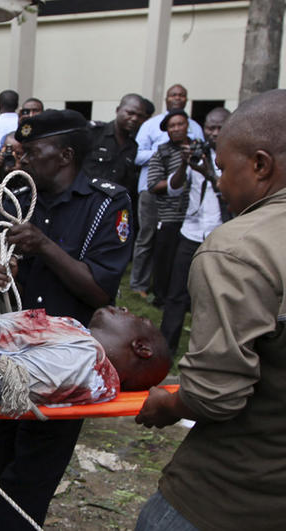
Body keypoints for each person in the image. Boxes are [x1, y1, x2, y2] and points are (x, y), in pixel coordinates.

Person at [135, 88, 286, 531]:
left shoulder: (239, 248)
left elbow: (215, 395)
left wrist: (171, 403)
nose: (219, 182)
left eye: (223, 168)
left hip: (236, 494)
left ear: (260, 165)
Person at [0, 109, 134, 530]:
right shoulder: (17, 201)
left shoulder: (107, 204)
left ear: (65, 155)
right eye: (18, 153)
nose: (21, 163)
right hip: (12, 355)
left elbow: (100, 290)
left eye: (31, 153)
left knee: (29, 479)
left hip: (65, 367)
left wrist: (44, 245)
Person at [0, 304, 171, 407]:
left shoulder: (82, 363)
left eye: (136, 317)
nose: (124, 309)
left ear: (141, 348)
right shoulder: (81, 347)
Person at [158, 107, 230, 353]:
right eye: (210, 127)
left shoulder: (234, 157)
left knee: (216, 296)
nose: (214, 133)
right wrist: (184, 164)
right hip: (190, 230)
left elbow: (229, 193)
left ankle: (212, 349)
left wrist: (208, 173)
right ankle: (166, 349)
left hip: (221, 234)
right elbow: (174, 188)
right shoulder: (196, 151)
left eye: (220, 128)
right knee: (176, 293)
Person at [130, 84, 203, 299]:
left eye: (181, 95)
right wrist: (161, 153)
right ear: (166, 99)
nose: (177, 98)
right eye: (173, 95)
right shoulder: (151, 127)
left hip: (189, 200)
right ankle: (139, 284)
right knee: (147, 237)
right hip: (151, 191)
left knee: (175, 243)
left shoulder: (196, 130)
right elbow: (136, 154)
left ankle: (173, 287)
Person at [146, 110, 197, 307]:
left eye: (180, 124)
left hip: (195, 216)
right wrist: (174, 181)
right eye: (171, 126)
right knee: (165, 259)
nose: (176, 129)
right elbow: (153, 185)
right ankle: (161, 297)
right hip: (169, 214)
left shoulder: (198, 148)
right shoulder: (162, 152)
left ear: (187, 125)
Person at [83, 93, 146, 191]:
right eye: (130, 113)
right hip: (85, 197)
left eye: (140, 116)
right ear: (117, 110)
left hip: (111, 202)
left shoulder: (132, 147)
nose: (135, 119)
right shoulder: (94, 132)